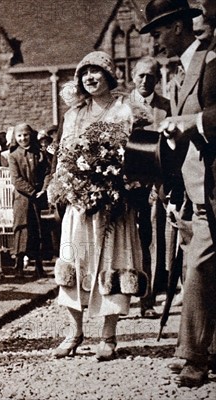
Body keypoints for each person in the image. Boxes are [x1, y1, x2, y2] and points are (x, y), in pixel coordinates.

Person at [50, 51, 143, 361]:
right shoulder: (74, 113)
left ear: (109, 76)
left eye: (96, 72)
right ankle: (74, 331)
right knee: (72, 262)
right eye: (84, 72)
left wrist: (125, 181)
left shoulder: (125, 110)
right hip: (79, 201)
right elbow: (63, 156)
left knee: (111, 265)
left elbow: (141, 152)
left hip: (114, 202)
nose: (90, 78)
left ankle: (108, 335)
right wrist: (61, 185)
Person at [145, 0, 216, 387]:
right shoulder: (181, 69)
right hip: (196, 190)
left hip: (212, 187)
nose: (155, 41)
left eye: (156, 32)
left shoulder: (210, 60)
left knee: (199, 269)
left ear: (176, 26)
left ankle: (193, 357)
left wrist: (191, 122)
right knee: (202, 268)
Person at [125, 56, 172, 319]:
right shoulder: (121, 105)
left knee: (151, 240)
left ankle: (148, 299)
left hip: (156, 184)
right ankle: (120, 297)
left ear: (157, 78)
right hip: (127, 184)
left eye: (151, 76)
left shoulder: (165, 107)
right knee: (124, 240)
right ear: (133, 76)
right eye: (141, 75)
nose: (145, 80)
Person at [7, 123, 51, 279]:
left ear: (31, 135)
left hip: (37, 199)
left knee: (37, 230)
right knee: (21, 229)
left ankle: (38, 267)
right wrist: (32, 191)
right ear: (15, 137)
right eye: (19, 136)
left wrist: (43, 189)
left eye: (25, 135)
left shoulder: (39, 153)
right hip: (22, 199)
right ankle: (18, 267)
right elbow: (16, 179)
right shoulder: (13, 156)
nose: (22, 138)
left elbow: (47, 172)